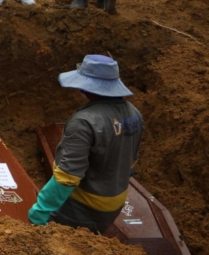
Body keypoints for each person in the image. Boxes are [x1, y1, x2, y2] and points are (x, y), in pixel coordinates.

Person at [28, 55, 143, 234]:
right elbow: (131, 163)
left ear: (87, 87)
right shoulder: (134, 114)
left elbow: (68, 176)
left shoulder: (84, 122)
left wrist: (40, 211)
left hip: (83, 208)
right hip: (116, 202)